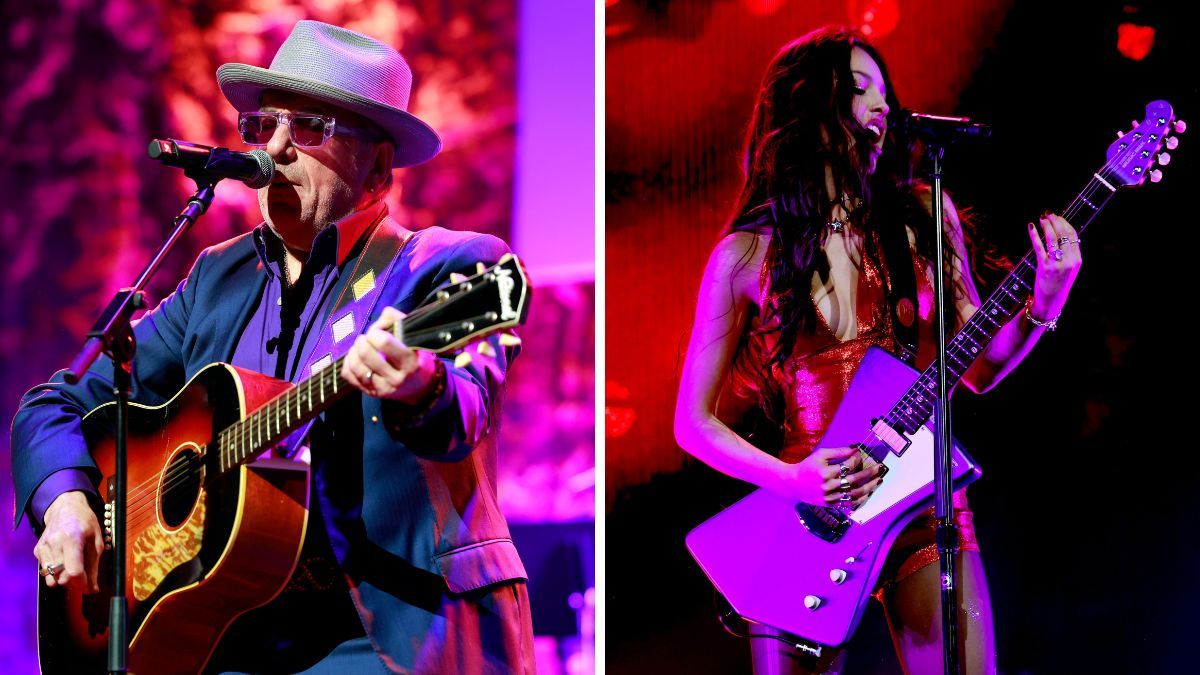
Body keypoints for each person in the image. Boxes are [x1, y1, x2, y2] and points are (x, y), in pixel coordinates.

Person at [11, 20, 533, 674]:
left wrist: (419, 384)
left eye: (309, 128)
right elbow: (54, 404)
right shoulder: (216, 278)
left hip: (391, 630)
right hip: (229, 632)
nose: (276, 150)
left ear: (377, 161)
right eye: (263, 127)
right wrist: (65, 499)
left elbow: (465, 411)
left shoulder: (449, 266)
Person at [673, 27, 1082, 674]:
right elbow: (691, 423)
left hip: (925, 500)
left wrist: (1046, 300)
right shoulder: (746, 254)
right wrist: (795, 478)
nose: (883, 105)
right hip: (809, 512)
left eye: (885, 93)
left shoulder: (923, 213)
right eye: (860, 89)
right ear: (810, 107)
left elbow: (982, 365)